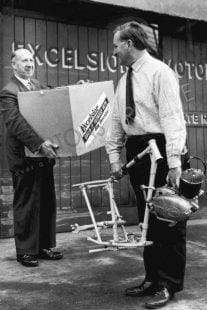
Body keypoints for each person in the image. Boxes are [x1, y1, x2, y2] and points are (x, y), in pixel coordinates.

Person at [106, 21, 187, 309]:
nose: (113, 51)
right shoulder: (123, 80)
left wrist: (175, 161)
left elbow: (172, 118)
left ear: (129, 44)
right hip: (138, 152)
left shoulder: (160, 73)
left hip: (163, 150)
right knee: (147, 222)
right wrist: (116, 158)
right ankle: (152, 278)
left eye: (116, 45)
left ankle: (169, 285)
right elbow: (116, 122)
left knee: (168, 222)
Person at [0, 48, 63, 267]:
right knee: (26, 203)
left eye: (31, 60)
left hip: (43, 157)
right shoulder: (9, 91)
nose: (29, 64)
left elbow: (56, 94)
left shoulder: (37, 85)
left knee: (46, 200)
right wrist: (39, 144)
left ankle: (44, 246)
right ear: (13, 65)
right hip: (25, 157)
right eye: (23, 61)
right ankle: (26, 251)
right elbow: (15, 123)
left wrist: (75, 89)